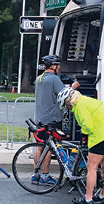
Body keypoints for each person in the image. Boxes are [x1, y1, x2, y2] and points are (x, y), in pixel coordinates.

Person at [57, 87, 104, 204]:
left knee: (91, 167)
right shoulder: (88, 100)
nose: (68, 109)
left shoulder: (79, 106)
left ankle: (88, 198)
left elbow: (88, 126)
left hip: (101, 136)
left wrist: (83, 133)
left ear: (68, 102)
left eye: (66, 106)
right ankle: (102, 195)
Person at [32, 55, 79, 185]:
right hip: (52, 118)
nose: (59, 68)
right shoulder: (54, 79)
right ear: (53, 66)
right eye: (58, 66)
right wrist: (73, 86)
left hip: (40, 117)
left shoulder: (39, 79)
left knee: (39, 146)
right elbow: (65, 94)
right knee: (49, 146)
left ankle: (35, 174)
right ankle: (45, 176)